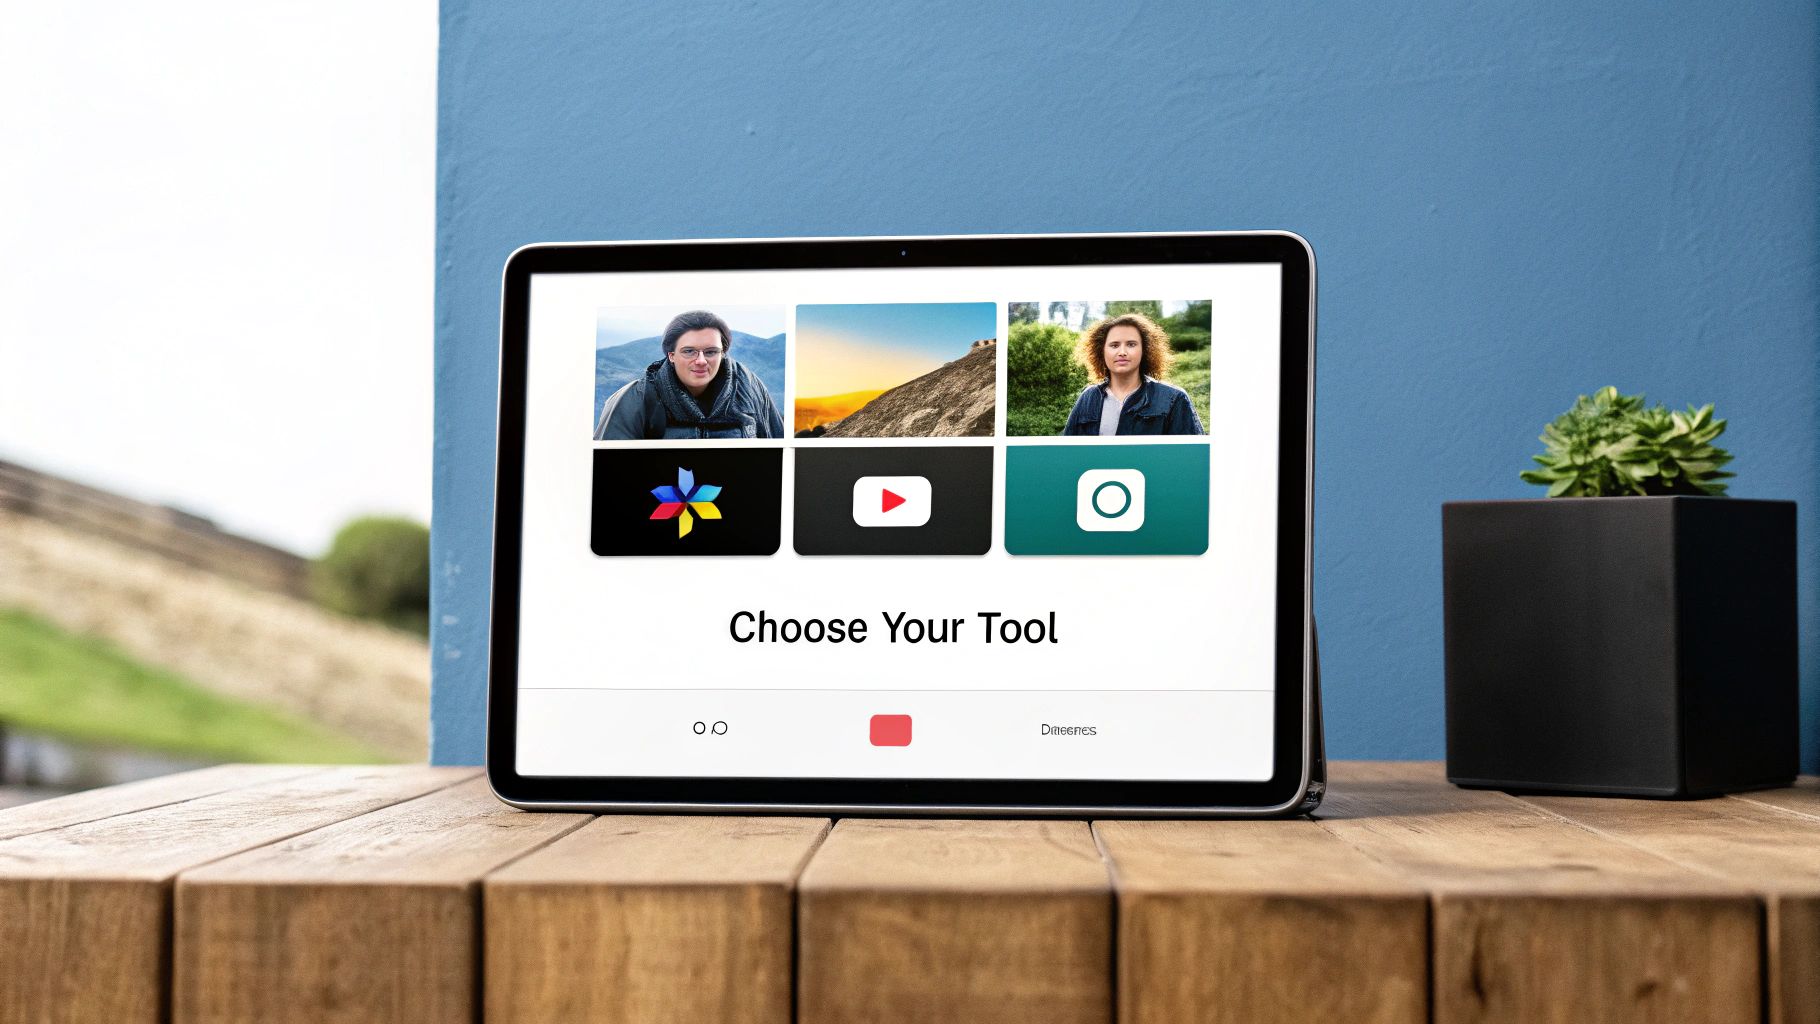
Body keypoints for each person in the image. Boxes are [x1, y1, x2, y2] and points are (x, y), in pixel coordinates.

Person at [594, 310, 785, 439]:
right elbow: (609, 470)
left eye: (711, 352)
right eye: (689, 351)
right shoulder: (635, 399)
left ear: (722, 353)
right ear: (671, 355)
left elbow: (780, 454)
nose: (701, 360)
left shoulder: (750, 390)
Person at [1060, 312, 1204, 436]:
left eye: (1131, 344)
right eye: (1114, 345)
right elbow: (1067, 454)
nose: (1122, 352)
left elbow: (1190, 458)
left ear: (1145, 350)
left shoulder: (1174, 399)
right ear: (1101, 351)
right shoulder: (1088, 397)